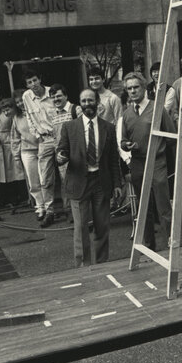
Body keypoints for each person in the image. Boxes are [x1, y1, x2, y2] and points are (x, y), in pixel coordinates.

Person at [55, 88, 124, 267]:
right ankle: (83, 266)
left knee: (102, 226)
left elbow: (113, 159)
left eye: (90, 100)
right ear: (80, 104)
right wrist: (60, 157)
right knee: (80, 228)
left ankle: (102, 263)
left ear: (97, 102)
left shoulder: (108, 127)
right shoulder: (69, 127)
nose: (87, 104)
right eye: (84, 101)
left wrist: (117, 183)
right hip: (78, 183)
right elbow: (61, 150)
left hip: (101, 183)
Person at [117, 71, 173, 251]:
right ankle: (149, 244)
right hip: (138, 164)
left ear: (143, 88)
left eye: (136, 87)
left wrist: (161, 152)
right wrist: (127, 145)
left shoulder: (157, 109)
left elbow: (172, 136)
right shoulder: (126, 114)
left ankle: (172, 243)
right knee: (144, 207)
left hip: (157, 162)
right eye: (129, 88)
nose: (133, 91)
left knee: (163, 206)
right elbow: (122, 141)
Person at [21, 70, 59, 225]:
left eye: (34, 80)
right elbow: (29, 117)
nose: (33, 84)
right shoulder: (26, 97)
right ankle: (50, 212)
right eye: (29, 82)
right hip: (44, 140)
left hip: (59, 137)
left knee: (66, 174)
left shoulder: (53, 92)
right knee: (45, 178)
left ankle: (71, 209)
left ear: (40, 79)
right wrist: (36, 134)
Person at [14, 95, 46, 221]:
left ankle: (49, 206)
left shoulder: (36, 111)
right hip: (27, 151)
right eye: (17, 102)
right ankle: (40, 206)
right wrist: (16, 155)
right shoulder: (16, 118)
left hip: (41, 148)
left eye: (21, 100)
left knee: (44, 179)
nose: (20, 103)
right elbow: (15, 136)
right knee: (33, 181)